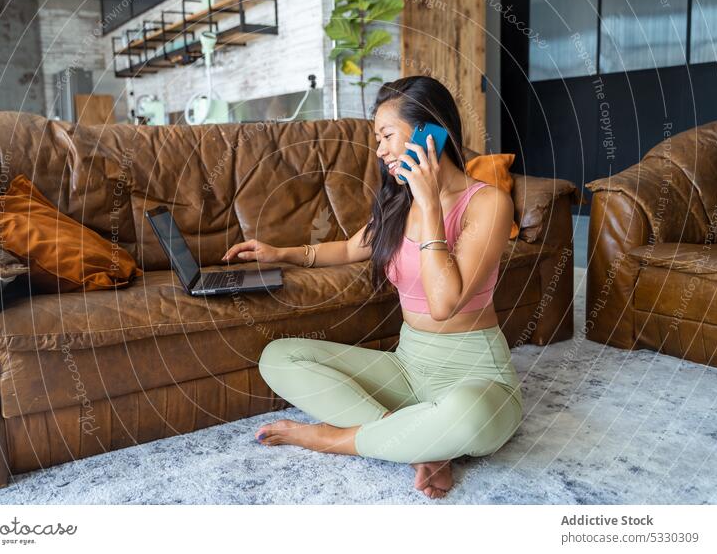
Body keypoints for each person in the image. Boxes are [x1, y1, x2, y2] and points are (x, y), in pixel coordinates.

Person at [220, 75, 522, 499]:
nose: (379, 151)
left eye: (386, 135)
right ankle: (418, 445)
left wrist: (431, 203)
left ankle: (335, 438)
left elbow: (444, 304)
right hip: (408, 367)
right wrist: (280, 253)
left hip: (475, 378)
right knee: (278, 357)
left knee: (468, 417)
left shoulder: (488, 204)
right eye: (376, 138)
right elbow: (348, 249)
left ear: (429, 132)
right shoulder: (399, 203)